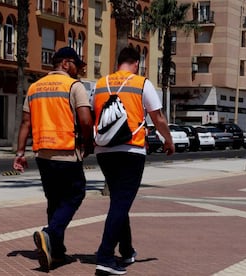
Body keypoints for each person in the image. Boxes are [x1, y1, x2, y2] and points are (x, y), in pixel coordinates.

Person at [92, 46, 175, 275]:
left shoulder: (99, 85)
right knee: (120, 203)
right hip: (131, 150)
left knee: (120, 201)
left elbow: (92, 115)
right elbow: (158, 118)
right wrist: (168, 140)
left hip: (104, 151)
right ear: (136, 63)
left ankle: (127, 251)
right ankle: (105, 257)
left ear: (118, 62)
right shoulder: (141, 83)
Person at [13, 47, 94, 271]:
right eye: (76, 64)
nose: (78, 70)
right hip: (66, 152)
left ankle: (56, 252)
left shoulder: (34, 87)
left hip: (42, 154)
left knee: (54, 201)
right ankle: (49, 233)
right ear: (66, 63)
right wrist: (88, 142)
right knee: (76, 194)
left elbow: (25, 123)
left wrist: (20, 154)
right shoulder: (74, 86)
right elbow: (86, 121)